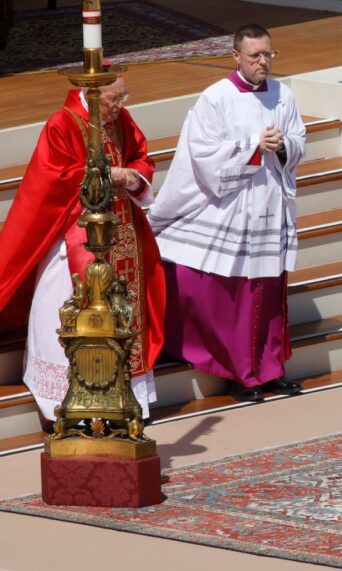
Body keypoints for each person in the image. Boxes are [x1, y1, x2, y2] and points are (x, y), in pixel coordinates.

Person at [148, 24, 305, 403]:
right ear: (236, 57)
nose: (263, 62)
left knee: (268, 292)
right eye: (255, 56)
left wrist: (285, 146)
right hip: (234, 205)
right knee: (237, 297)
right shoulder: (215, 98)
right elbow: (203, 155)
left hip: (271, 204)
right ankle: (242, 374)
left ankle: (270, 368)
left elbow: (300, 138)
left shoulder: (283, 94)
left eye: (268, 54)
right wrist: (254, 146)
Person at [0, 71, 165, 430]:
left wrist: (133, 176)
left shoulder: (120, 119)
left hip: (123, 227)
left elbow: (139, 156)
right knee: (66, 304)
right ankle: (68, 403)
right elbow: (55, 178)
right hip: (76, 232)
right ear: (91, 95)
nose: (120, 106)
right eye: (113, 100)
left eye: (124, 97)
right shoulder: (63, 123)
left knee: (126, 309)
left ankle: (125, 401)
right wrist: (109, 176)